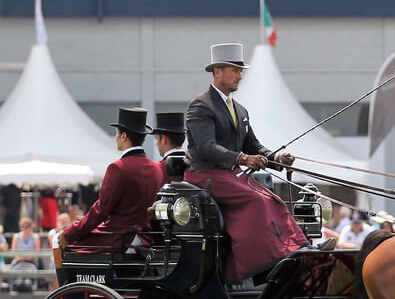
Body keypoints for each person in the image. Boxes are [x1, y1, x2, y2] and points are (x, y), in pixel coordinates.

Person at [184, 43, 308, 282]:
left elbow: (253, 146)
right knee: (257, 200)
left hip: (230, 175)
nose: (240, 76)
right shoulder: (201, 106)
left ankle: (296, 247)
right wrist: (242, 158)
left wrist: (276, 158)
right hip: (205, 175)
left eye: (240, 71)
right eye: (235, 71)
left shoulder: (240, 110)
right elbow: (207, 147)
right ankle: (258, 264)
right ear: (217, 71)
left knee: (274, 199)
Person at [60, 108, 164, 252]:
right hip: (145, 239)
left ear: (123, 136)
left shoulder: (118, 167)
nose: (116, 137)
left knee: (63, 246)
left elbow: (101, 210)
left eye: (117, 133)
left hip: (117, 239)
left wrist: (71, 233)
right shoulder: (156, 169)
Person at [152, 111, 189, 183]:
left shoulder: (157, 169)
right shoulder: (194, 166)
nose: (156, 144)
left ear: (164, 139)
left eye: (157, 139)